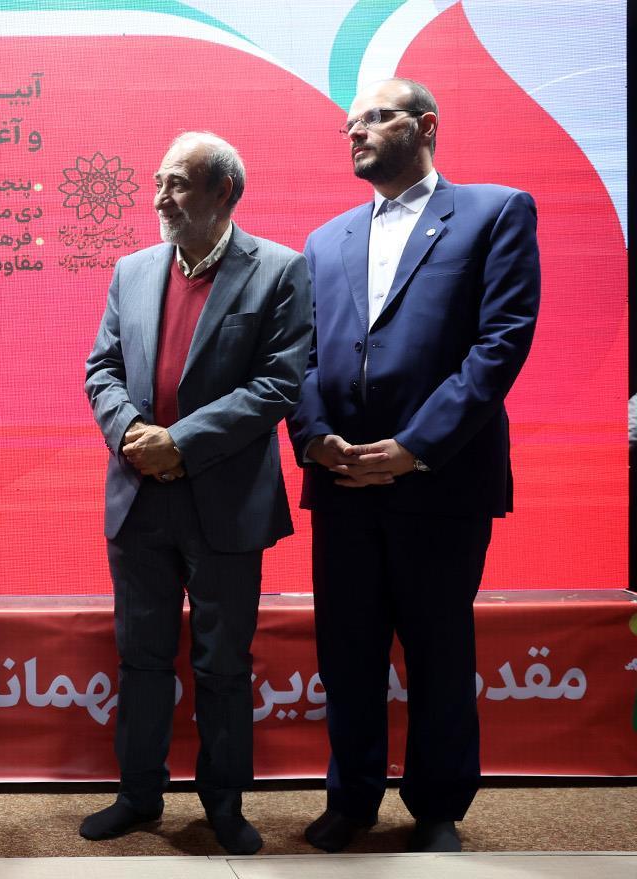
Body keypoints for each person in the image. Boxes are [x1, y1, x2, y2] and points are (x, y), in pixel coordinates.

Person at [287, 78, 540, 853]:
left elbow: (500, 343)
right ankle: (352, 798)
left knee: (438, 650)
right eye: (350, 123)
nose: (356, 131)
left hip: (441, 480)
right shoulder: (325, 239)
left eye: (375, 117)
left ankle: (436, 807)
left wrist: (414, 447)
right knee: (348, 652)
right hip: (342, 480)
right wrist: (315, 437)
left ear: (426, 125)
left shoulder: (496, 211)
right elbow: (299, 357)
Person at [82, 132, 312, 855]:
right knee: (141, 658)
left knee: (223, 666)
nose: (161, 197)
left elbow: (278, 385)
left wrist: (179, 442)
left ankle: (224, 805)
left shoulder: (280, 270)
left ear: (223, 192)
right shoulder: (131, 269)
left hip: (225, 503)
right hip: (140, 498)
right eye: (158, 181)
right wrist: (131, 434)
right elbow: (101, 369)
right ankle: (137, 795)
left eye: (178, 183)